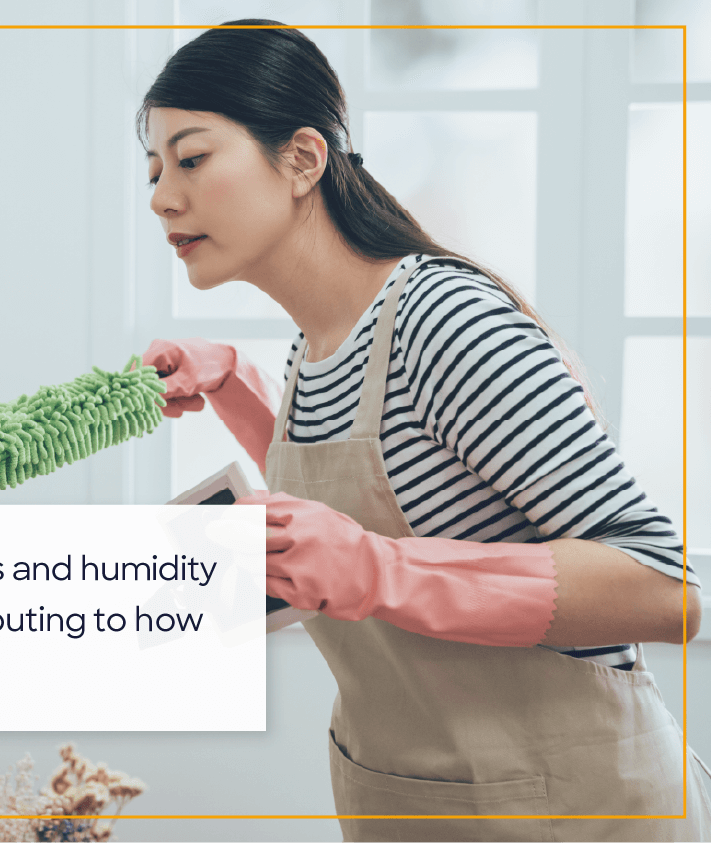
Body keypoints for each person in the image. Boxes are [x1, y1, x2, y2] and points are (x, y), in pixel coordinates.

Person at [139, 21, 710, 842]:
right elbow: (399, 494)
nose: (161, 195)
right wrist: (233, 383)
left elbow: (666, 589)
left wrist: (375, 568)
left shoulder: (445, 323)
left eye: (191, 158)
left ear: (303, 159)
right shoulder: (317, 344)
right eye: (154, 170)